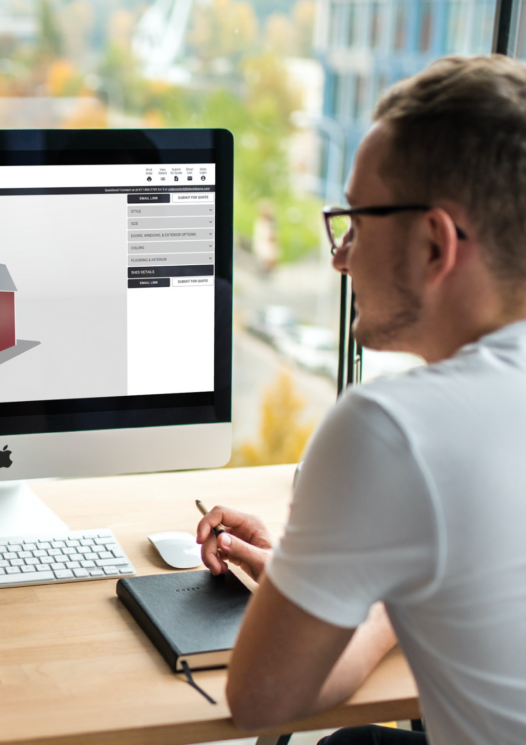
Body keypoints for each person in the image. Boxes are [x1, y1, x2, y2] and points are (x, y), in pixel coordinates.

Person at [196, 55, 526, 745]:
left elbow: (259, 699)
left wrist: (366, 591)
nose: (339, 256)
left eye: (357, 222)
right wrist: (345, 566)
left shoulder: (393, 429)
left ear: (434, 243)